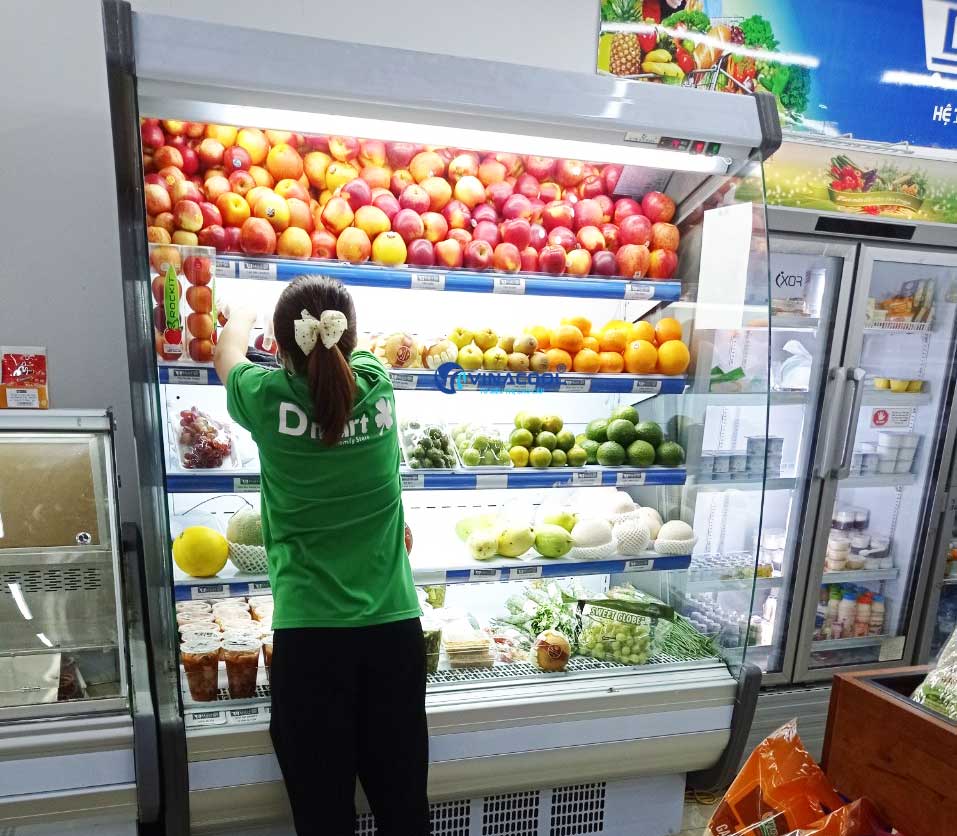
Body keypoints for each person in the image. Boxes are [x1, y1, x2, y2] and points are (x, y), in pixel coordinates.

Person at [214, 276, 430, 836]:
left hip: (311, 640)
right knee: (404, 811)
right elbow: (349, 366)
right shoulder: (378, 385)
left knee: (322, 818)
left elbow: (226, 353)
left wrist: (242, 311)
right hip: (394, 634)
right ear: (349, 339)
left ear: (280, 346)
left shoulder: (265, 397)